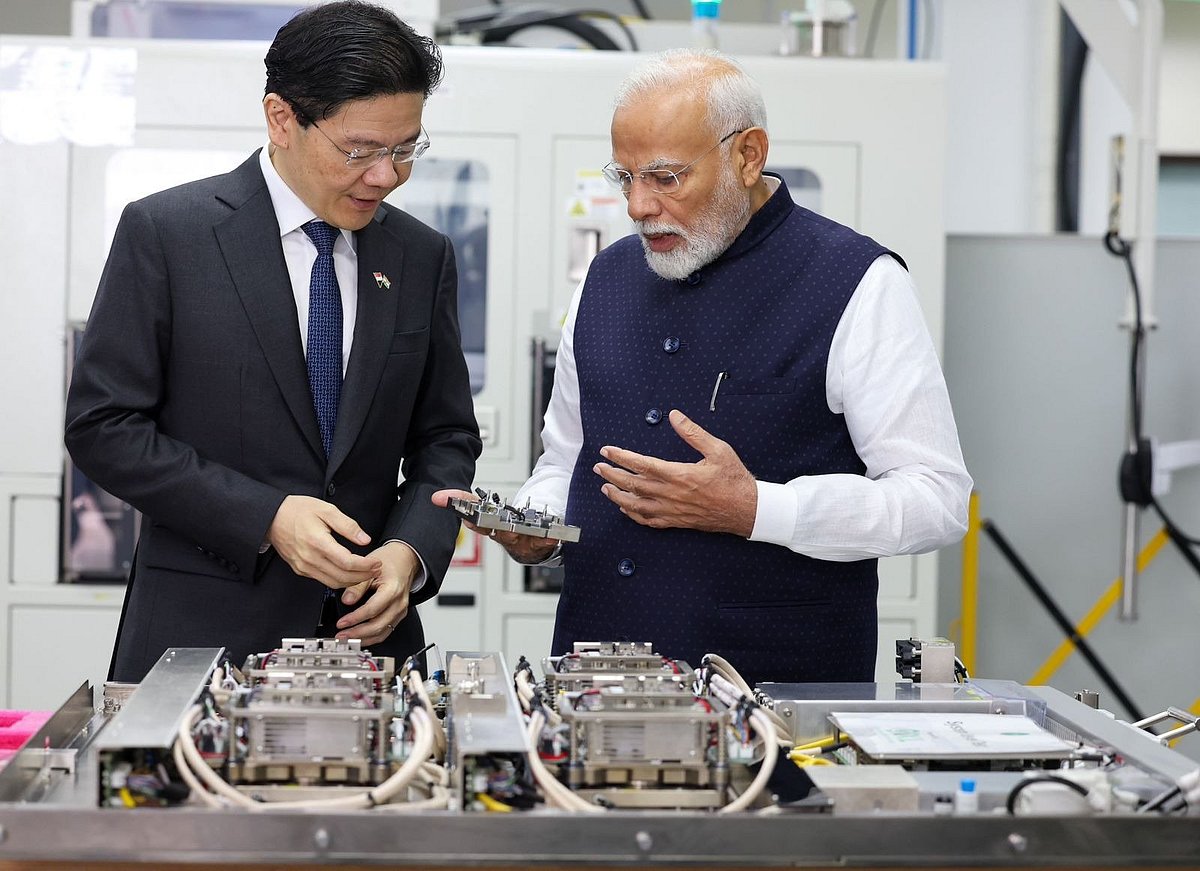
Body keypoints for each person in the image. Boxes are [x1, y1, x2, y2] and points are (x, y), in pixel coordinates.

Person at [435, 49, 970, 687]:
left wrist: (758, 509)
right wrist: (537, 524)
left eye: (665, 178)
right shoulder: (603, 279)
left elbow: (937, 498)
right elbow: (566, 459)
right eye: (625, 177)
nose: (638, 205)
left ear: (748, 155)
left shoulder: (856, 283)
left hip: (774, 692)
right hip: (595, 685)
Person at [66, 0, 480, 682]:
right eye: (359, 151)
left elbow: (447, 438)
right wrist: (266, 517)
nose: (386, 175)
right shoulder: (169, 235)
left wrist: (411, 551)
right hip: (201, 639)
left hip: (366, 646)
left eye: (405, 149)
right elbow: (102, 427)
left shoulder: (419, 255)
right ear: (282, 119)